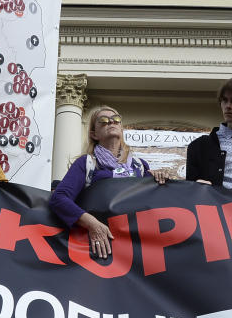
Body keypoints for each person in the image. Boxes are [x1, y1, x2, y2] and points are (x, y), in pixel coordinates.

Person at [49, 106, 168, 259]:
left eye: (116, 119)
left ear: (121, 128)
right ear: (94, 134)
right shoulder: (86, 163)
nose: (111, 122)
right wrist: (92, 224)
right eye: (103, 121)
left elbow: (151, 204)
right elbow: (59, 198)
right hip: (101, 246)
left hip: (136, 247)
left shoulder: (140, 165)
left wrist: (159, 178)